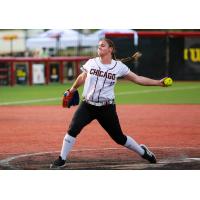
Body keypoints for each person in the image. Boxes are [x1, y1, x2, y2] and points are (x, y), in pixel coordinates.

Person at [50, 38, 166, 169]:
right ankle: (62, 159)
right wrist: (72, 89)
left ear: (110, 49)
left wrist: (158, 82)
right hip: (87, 105)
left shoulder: (119, 67)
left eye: (103, 45)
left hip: (106, 108)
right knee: (72, 129)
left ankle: (143, 152)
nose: (99, 47)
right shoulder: (91, 62)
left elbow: (137, 79)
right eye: (98, 46)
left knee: (119, 138)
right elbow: (82, 77)